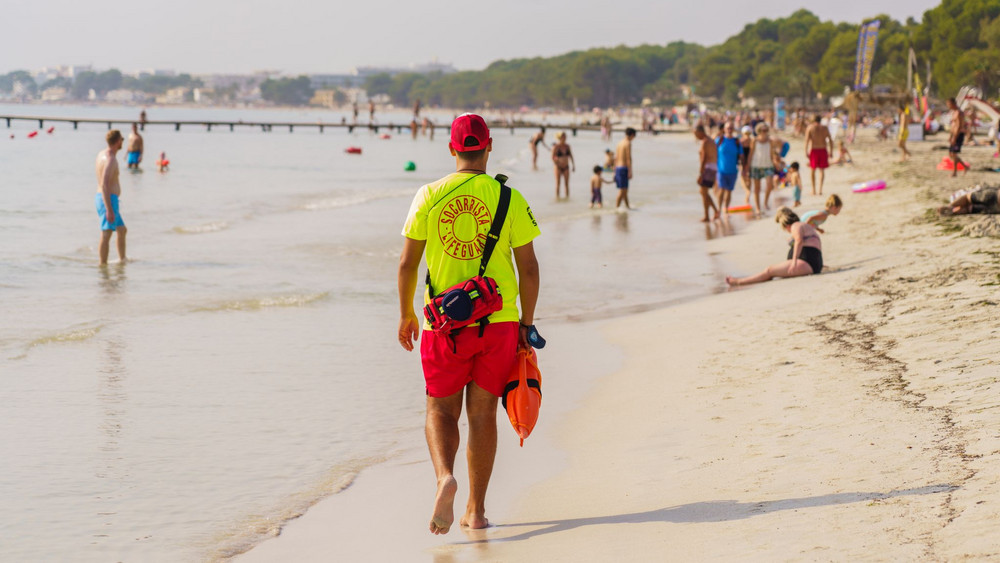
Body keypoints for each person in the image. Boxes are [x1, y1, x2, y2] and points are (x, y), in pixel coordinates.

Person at [397, 113, 541, 535]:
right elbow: (528, 268)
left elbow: (407, 263)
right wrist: (526, 325)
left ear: (452, 148)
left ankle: (445, 477)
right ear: (489, 146)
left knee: (441, 410)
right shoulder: (508, 198)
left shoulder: (429, 195)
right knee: (482, 415)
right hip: (498, 324)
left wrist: (406, 312)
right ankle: (475, 511)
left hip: (445, 325)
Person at [726, 207, 822, 286]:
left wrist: (794, 261)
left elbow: (799, 241)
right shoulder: (805, 226)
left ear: (786, 225)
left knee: (769, 271)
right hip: (814, 263)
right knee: (775, 272)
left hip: (807, 263)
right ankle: (740, 281)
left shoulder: (795, 226)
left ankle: (739, 282)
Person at [95, 130, 128, 265]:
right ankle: (103, 266)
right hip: (108, 199)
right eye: (122, 139)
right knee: (106, 233)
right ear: (118, 141)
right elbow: (104, 184)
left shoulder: (101, 154)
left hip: (103, 198)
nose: (122, 142)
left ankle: (122, 260)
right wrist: (109, 208)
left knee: (122, 230)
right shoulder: (110, 159)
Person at [747, 122, 779, 215]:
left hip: (768, 165)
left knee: (770, 185)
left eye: (766, 130)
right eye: (762, 130)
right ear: (758, 131)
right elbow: (751, 154)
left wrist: (776, 162)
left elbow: (772, 154)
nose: (764, 132)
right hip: (756, 165)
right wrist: (747, 167)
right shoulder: (754, 141)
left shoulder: (771, 141)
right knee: (757, 188)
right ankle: (758, 208)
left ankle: (765, 203)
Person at [694, 125, 720, 222]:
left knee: (704, 192)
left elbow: (704, 159)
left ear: (700, 132)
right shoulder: (710, 140)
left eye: (696, 134)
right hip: (713, 167)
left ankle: (707, 215)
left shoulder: (705, 142)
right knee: (703, 192)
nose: (695, 136)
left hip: (708, 168)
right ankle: (715, 211)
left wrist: (701, 173)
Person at [715, 121, 741, 215]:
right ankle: (718, 209)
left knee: (729, 191)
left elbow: (741, 156)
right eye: (727, 128)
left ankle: (726, 209)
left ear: (733, 129)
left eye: (731, 128)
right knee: (721, 189)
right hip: (721, 170)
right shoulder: (719, 140)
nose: (729, 130)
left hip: (733, 170)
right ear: (724, 129)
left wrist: (744, 167)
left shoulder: (736, 141)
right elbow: (713, 153)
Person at [805, 114, 834, 195]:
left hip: (814, 150)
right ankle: (820, 190)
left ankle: (813, 190)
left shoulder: (810, 128)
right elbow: (831, 140)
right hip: (823, 150)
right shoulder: (824, 128)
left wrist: (805, 151)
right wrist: (831, 151)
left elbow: (806, 141)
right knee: (821, 170)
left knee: (812, 170)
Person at [614, 127, 636, 210]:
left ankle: (627, 206)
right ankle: (616, 208)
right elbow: (628, 158)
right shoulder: (628, 143)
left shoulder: (619, 143)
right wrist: (630, 171)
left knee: (624, 190)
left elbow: (616, 158)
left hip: (618, 168)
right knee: (622, 191)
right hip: (624, 168)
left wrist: (614, 170)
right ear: (632, 135)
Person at [947, 98, 968, 177]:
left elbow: (959, 126)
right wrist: (950, 136)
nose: (948, 106)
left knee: (954, 153)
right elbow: (953, 125)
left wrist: (954, 138)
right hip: (954, 135)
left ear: (953, 103)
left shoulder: (959, 113)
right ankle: (965, 166)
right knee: (951, 154)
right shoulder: (954, 112)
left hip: (958, 135)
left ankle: (954, 172)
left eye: (949, 104)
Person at [551, 131, 575, 198]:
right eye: (563, 136)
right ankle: (557, 198)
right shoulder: (556, 146)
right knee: (558, 184)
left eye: (565, 136)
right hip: (558, 167)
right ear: (559, 137)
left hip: (566, 167)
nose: (564, 138)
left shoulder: (567, 146)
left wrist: (573, 165)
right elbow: (552, 157)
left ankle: (567, 198)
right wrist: (557, 163)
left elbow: (571, 155)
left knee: (566, 184)